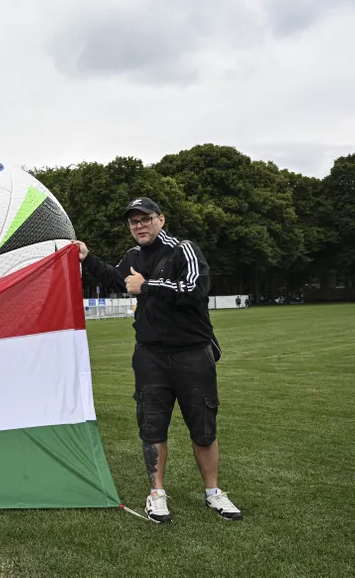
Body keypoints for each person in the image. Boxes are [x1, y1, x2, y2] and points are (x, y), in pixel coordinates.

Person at [73, 197, 242, 523]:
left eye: (145, 219)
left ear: (161, 220)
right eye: (133, 222)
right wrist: (88, 258)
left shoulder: (184, 249)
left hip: (193, 352)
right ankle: (157, 494)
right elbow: (116, 280)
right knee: (152, 427)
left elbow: (195, 289)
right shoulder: (134, 256)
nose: (139, 226)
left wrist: (147, 285)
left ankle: (213, 493)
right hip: (150, 355)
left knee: (203, 427)